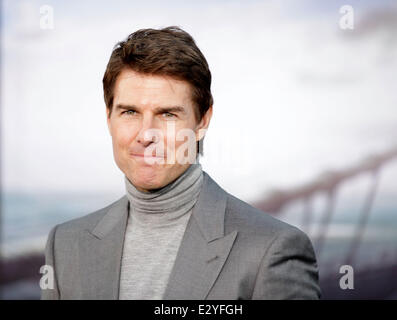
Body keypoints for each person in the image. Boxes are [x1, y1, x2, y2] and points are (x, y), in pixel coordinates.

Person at [41, 26, 321, 300]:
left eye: (167, 115)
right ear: (108, 118)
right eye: (129, 112)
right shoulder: (65, 244)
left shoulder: (272, 249)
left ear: (202, 121)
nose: (146, 135)